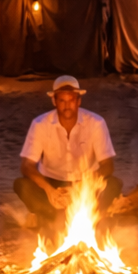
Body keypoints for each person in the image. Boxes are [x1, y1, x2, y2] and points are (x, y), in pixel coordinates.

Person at [15, 75, 121, 232]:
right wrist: (49, 190)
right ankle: (61, 213)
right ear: (54, 101)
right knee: (22, 185)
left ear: (79, 101)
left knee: (113, 184)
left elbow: (108, 166)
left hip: (86, 183)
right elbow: (27, 166)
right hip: (52, 183)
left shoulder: (96, 123)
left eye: (71, 100)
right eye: (62, 101)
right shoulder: (40, 124)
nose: (67, 106)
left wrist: (82, 187)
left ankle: (56, 217)